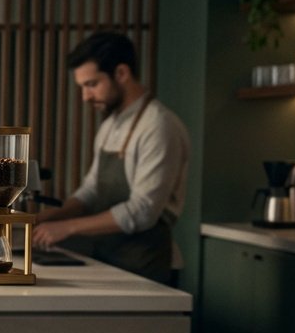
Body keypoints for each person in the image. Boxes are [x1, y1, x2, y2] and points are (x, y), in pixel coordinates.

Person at [32, 31, 189, 286]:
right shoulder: (110, 125)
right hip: (110, 259)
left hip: (147, 265)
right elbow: (91, 191)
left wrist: (68, 227)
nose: (85, 97)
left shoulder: (159, 126)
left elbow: (143, 211)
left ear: (122, 74)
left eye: (91, 85)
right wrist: (51, 217)